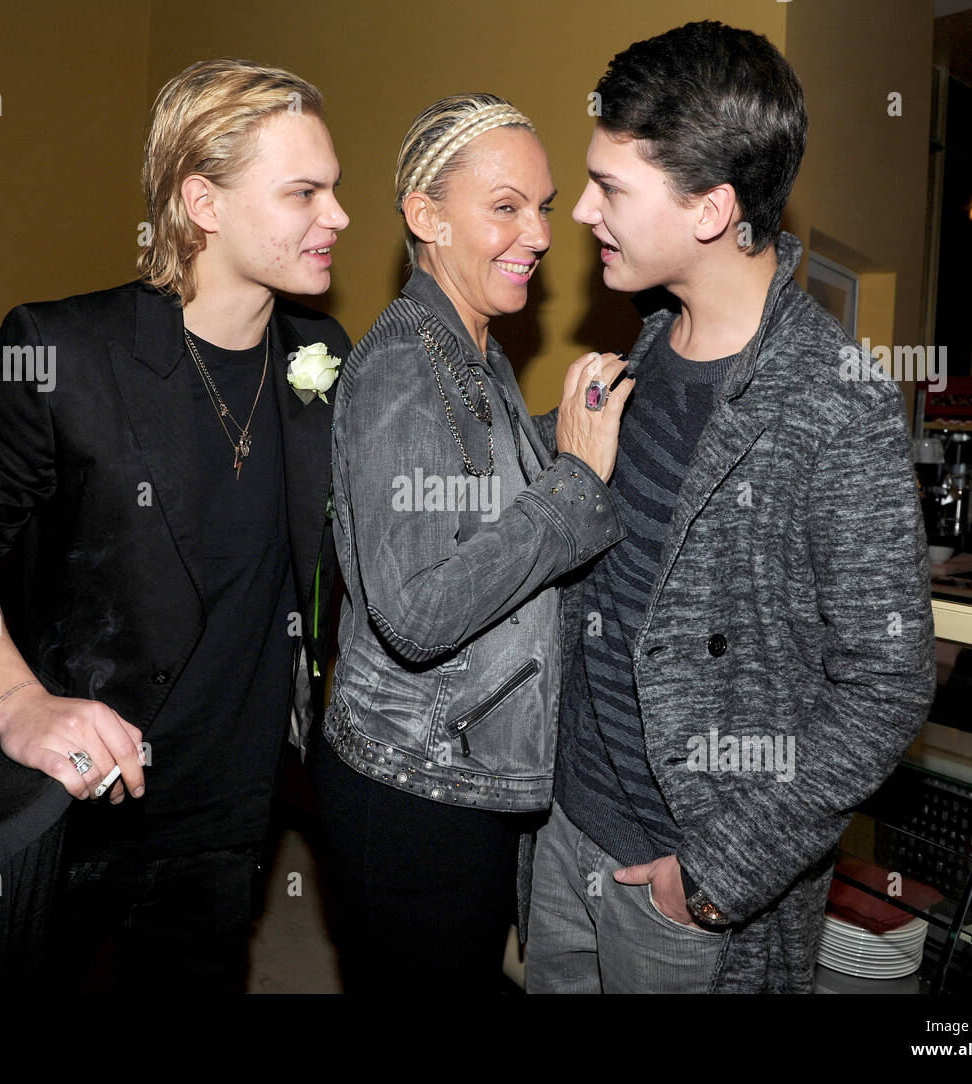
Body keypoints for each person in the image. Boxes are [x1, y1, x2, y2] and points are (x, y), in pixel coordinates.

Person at [0, 58, 351, 991]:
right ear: (203, 202)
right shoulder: (62, 351)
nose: (337, 216)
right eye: (305, 191)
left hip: (234, 812)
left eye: (334, 189)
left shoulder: (324, 358)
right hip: (68, 804)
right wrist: (18, 704)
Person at [523, 21, 936, 993]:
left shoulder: (838, 399)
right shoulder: (646, 343)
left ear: (711, 209)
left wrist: (714, 878)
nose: (579, 211)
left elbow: (887, 682)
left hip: (683, 891)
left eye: (609, 187)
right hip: (562, 830)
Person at [307, 93, 634, 991]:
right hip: (415, 794)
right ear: (425, 215)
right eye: (505, 207)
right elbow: (417, 612)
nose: (537, 232)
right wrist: (575, 479)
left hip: (455, 779)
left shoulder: (471, 353)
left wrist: (571, 434)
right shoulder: (410, 364)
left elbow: (471, 480)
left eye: (543, 206)